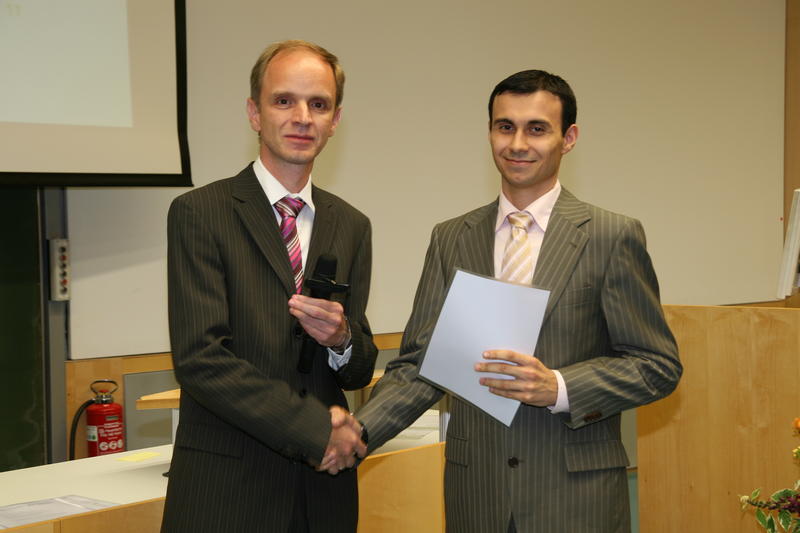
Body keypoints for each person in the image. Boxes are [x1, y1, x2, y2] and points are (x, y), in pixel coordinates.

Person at [351, 70, 682, 532]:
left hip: (576, 499)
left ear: (569, 138)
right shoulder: (451, 238)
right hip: (477, 496)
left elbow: (657, 366)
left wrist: (559, 387)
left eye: (537, 129)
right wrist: (356, 433)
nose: (518, 144)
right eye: (505, 127)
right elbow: (419, 365)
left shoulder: (611, 236)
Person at [161, 40, 376, 533]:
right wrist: (314, 428)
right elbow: (201, 359)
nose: (302, 117)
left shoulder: (352, 225)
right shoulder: (200, 213)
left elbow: (359, 370)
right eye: (284, 101)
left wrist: (342, 339)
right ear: (254, 113)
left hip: (324, 495)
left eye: (318, 104)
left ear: (335, 120)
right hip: (228, 491)